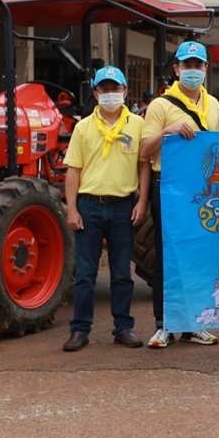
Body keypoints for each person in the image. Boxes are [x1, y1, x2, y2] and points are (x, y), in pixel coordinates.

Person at [140, 40, 219, 349]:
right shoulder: (161, 105)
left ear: (205, 69)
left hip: (201, 189)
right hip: (170, 186)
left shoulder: (213, 104)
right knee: (167, 255)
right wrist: (167, 132)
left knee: (200, 255)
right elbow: (144, 150)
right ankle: (164, 324)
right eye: (186, 65)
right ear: (177, 69)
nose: (192, 70)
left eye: (197, 65)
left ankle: (194, 324)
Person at [62, 66, 151, 352]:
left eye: (116, 89)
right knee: (86, 273)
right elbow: (73, 171)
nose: (110, 94)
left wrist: (141, 201)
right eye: (105, 89)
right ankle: (80, 329)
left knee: (122, 273)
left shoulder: (137, 125)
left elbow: (143, 166)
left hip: (123, 206)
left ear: (125, 92)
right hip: (89, 206)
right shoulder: (83, 127)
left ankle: (123, 327)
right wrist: (72, 209)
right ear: (95, 93)